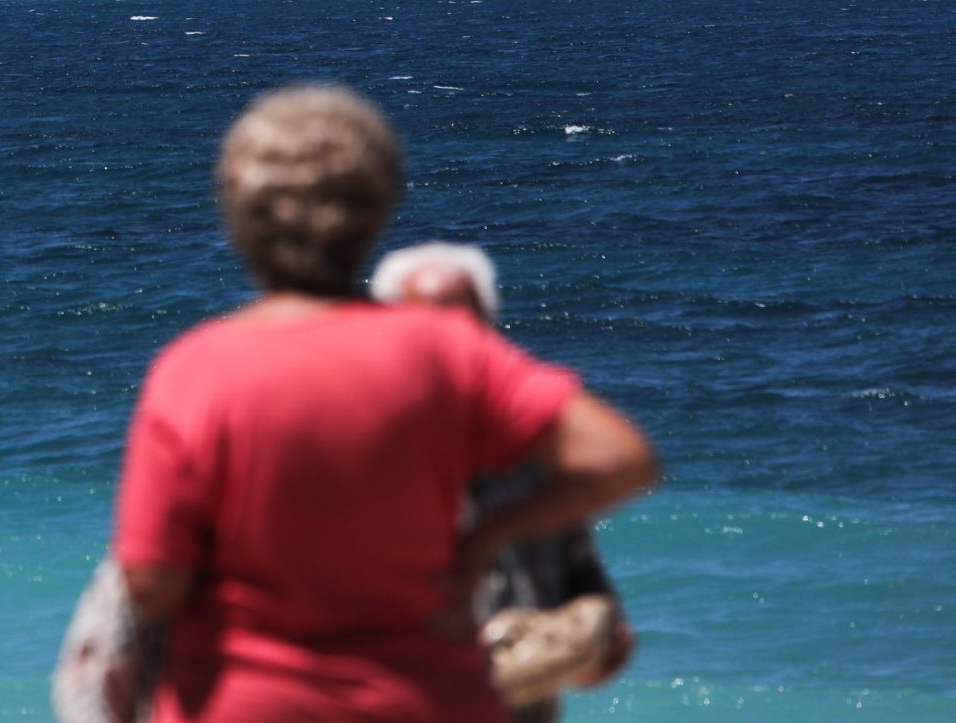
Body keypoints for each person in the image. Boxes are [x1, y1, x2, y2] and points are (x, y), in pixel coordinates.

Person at [106, 88, 658, 723]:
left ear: (237, 216)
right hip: (430, 700)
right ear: (378, 209)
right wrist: (482, 541)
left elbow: (153, 582)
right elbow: (620, 458)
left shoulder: (195, 369)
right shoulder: (446, 352)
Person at [372, 243, 636, 722]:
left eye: (465, 325)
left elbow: (583, 586)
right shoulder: (354, 454)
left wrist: (599, 645)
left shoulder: (535, 461)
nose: (450, 343)